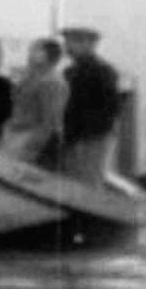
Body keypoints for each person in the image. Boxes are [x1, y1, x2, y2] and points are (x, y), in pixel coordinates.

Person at [58, 26, 122, 183]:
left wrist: (93, 130)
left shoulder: (103, 71)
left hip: (92, 137)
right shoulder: (69, 72)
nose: (67, 46)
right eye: (67, 41)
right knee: (73, 178)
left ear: (89, 44)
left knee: (88, 179)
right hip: (72, 136)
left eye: (73, 41)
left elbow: (111, 106)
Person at [0, 38, 67, 169]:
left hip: (28, 139)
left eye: (34, 49)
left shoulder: (52, 82)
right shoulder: (31, 76)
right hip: (15, 134)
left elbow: (50, 121)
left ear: (44, 55)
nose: (29, 53)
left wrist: (31, 149)